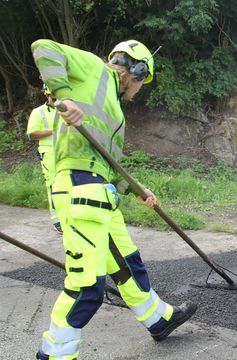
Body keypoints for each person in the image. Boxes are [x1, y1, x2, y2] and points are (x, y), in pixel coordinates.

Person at [31, 38, 197, 359]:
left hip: (103, 197)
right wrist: (64, 97)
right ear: (136, 70)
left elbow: (108, 163)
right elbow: (44, 48)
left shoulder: (112, 106)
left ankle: (158, 319)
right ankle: (53, 355)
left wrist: (138, 190)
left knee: (129, 265)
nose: (139, 91)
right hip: (80, 191)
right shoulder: (95, 69)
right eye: (141, 83)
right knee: (85, 291)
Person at [26, 85, 61, 233]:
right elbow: (32, 134)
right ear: (47, 95)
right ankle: (57, 220)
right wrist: (53, 131)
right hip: (48, 152)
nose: (55, 100)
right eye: (53, 98)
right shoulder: (38, 112)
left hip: (66, 151)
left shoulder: (66, 109)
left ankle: (70, 216)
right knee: (53, 185)